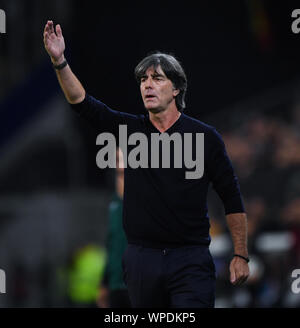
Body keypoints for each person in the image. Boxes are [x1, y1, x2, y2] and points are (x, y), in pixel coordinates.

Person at [43, 20, 250, 308]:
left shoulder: (205, 137)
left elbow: (232, 197)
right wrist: (59, 61)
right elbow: (81, 102)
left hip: (190, 258)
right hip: (142, 260)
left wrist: (240, 254)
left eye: (157, 78)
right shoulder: (130, 130)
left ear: (176, 88)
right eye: (143, 80)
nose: (147, 85)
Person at [97, 148, 131, 308]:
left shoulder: (146, 196)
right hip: (116, 285)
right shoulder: (114, 202)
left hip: (139, 283)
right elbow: (112, 244)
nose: (120, 163)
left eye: (123, 158)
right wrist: (104, 283)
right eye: (117, 159)